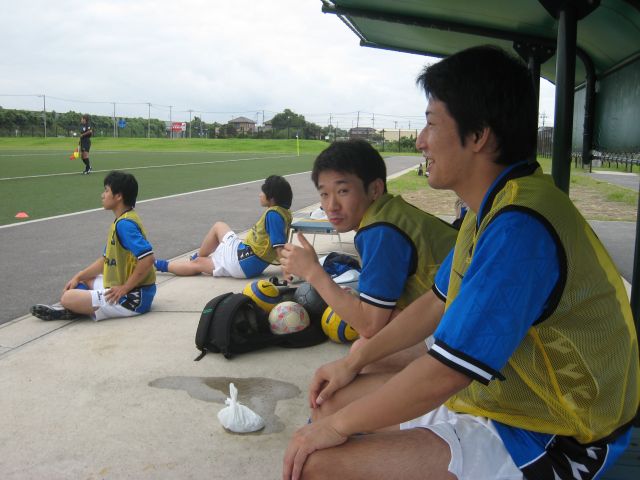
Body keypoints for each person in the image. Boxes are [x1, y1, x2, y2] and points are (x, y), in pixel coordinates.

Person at [282, 46, 639, 480]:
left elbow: (446, 373)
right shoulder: (489, 207)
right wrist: (351, 364)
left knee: (318, 462)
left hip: (559, 432)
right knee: (335, 398)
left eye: (431, 123)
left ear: (479, 135)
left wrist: (337, 428)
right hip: (507, 393)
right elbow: (436, 301)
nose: (421, 141)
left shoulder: (520, 227)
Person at [280, 139, 457, 370]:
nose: (331, 205)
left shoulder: (381, 231)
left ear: (374, 189)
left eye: (343, 191)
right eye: (324, 194)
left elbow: (370, 325)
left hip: (469, 327)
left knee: (364, 351)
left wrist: (313, 272)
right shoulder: (388, 214)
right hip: (457, 311)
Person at [31, 171, 156, 321]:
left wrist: (124, 288)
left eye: (106, 191)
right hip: (129, 291)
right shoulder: (123, 220)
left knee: (68, 297)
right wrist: (79, 275)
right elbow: (105, 260)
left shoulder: (124, 225)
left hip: (133, 299)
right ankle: (77, 308)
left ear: (118, 196)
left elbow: (148, 259)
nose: (102, 195)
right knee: (83, 279)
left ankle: (72, 308)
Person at [155, 175, 293, 278]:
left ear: (272, 198)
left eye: (262, 192)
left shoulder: (274, 215)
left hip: (243, 263)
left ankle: (157, 265)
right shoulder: (281, 212)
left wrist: (286, 273)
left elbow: (279, 247)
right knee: (219, 226)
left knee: (198, 263)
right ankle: (197, 257)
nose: (259, 195)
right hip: (246, 257)